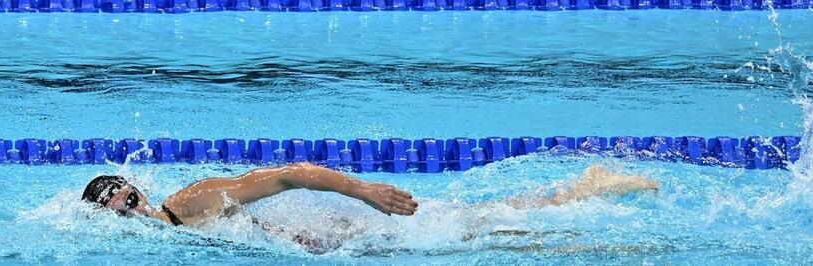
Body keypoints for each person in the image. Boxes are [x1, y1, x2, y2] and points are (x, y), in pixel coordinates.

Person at [81, 162, 659, 228]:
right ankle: (580, 195)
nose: (134, 213)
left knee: (479, 226)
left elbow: (290, 174)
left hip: (349, 225)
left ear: (140, 190)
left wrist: (365, 193)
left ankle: (588, 188)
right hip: (332, 241)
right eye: (121, 213)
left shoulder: (191, 203)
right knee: (484, 228)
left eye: (130, 199)